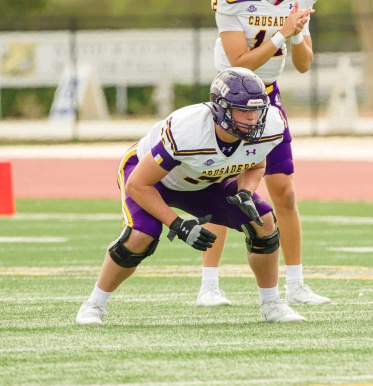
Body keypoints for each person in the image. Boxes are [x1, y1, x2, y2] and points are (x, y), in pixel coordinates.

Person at [76, 67, 306, 326]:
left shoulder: (270, 124)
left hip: (206, 181)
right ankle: (94, 304)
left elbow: (255, 164)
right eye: (243, 110)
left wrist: (245, 192)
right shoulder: (189, 130)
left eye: (256, 110)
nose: (252, 119)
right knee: (141, 236)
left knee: (263, 221)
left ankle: (272, 304)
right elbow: (138, 184)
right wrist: (178, 225)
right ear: (220, 109)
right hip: (153, 179)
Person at [199, 0, 330, 307]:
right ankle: (209, 285)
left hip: (269, 97)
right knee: (222, 186)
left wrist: (296, 35)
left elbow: (304, 63)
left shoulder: (297, 2)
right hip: (231, 99)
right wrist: (283, 34)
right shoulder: (235, 3)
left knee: (284, 192)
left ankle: (296, 283)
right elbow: (239, 63)